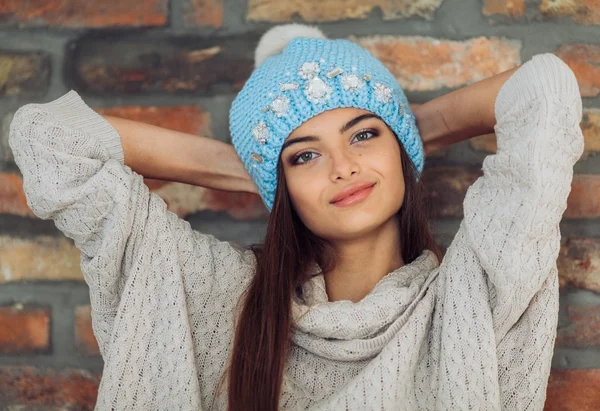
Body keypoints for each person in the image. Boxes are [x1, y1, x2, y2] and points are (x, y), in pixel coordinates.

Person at [9, 24, 584, 411]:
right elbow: (50, 138)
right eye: (304, 154)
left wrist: (408, 130)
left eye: (363, 135)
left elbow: (543, 90)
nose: (343, 166)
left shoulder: (472, 290)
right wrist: (256, 170)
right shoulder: (224, 298)